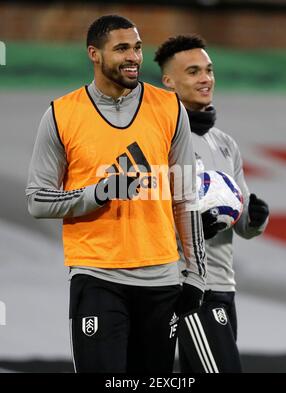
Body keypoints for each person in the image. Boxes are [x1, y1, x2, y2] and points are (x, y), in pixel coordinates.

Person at [26, 16, 207, 373]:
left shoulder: (170, 108)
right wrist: (99, 193)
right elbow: (37, 199)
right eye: (122, 48)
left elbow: (185, 196)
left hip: (162, 280)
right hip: (97, 276)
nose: (134, 57)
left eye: (138, 47)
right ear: (94, 54)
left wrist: (196, 273)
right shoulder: (62, 114)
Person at [154, 35, 269, 373]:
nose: (206, 79)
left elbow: (244, 225)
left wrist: (255, 216)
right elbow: (142, 209)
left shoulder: (225, 144)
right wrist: (188, 226)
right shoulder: (158, 138)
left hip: (222, 282)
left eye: (209, 70)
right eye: (193, 72)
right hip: (187, 283)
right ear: (169, 82)